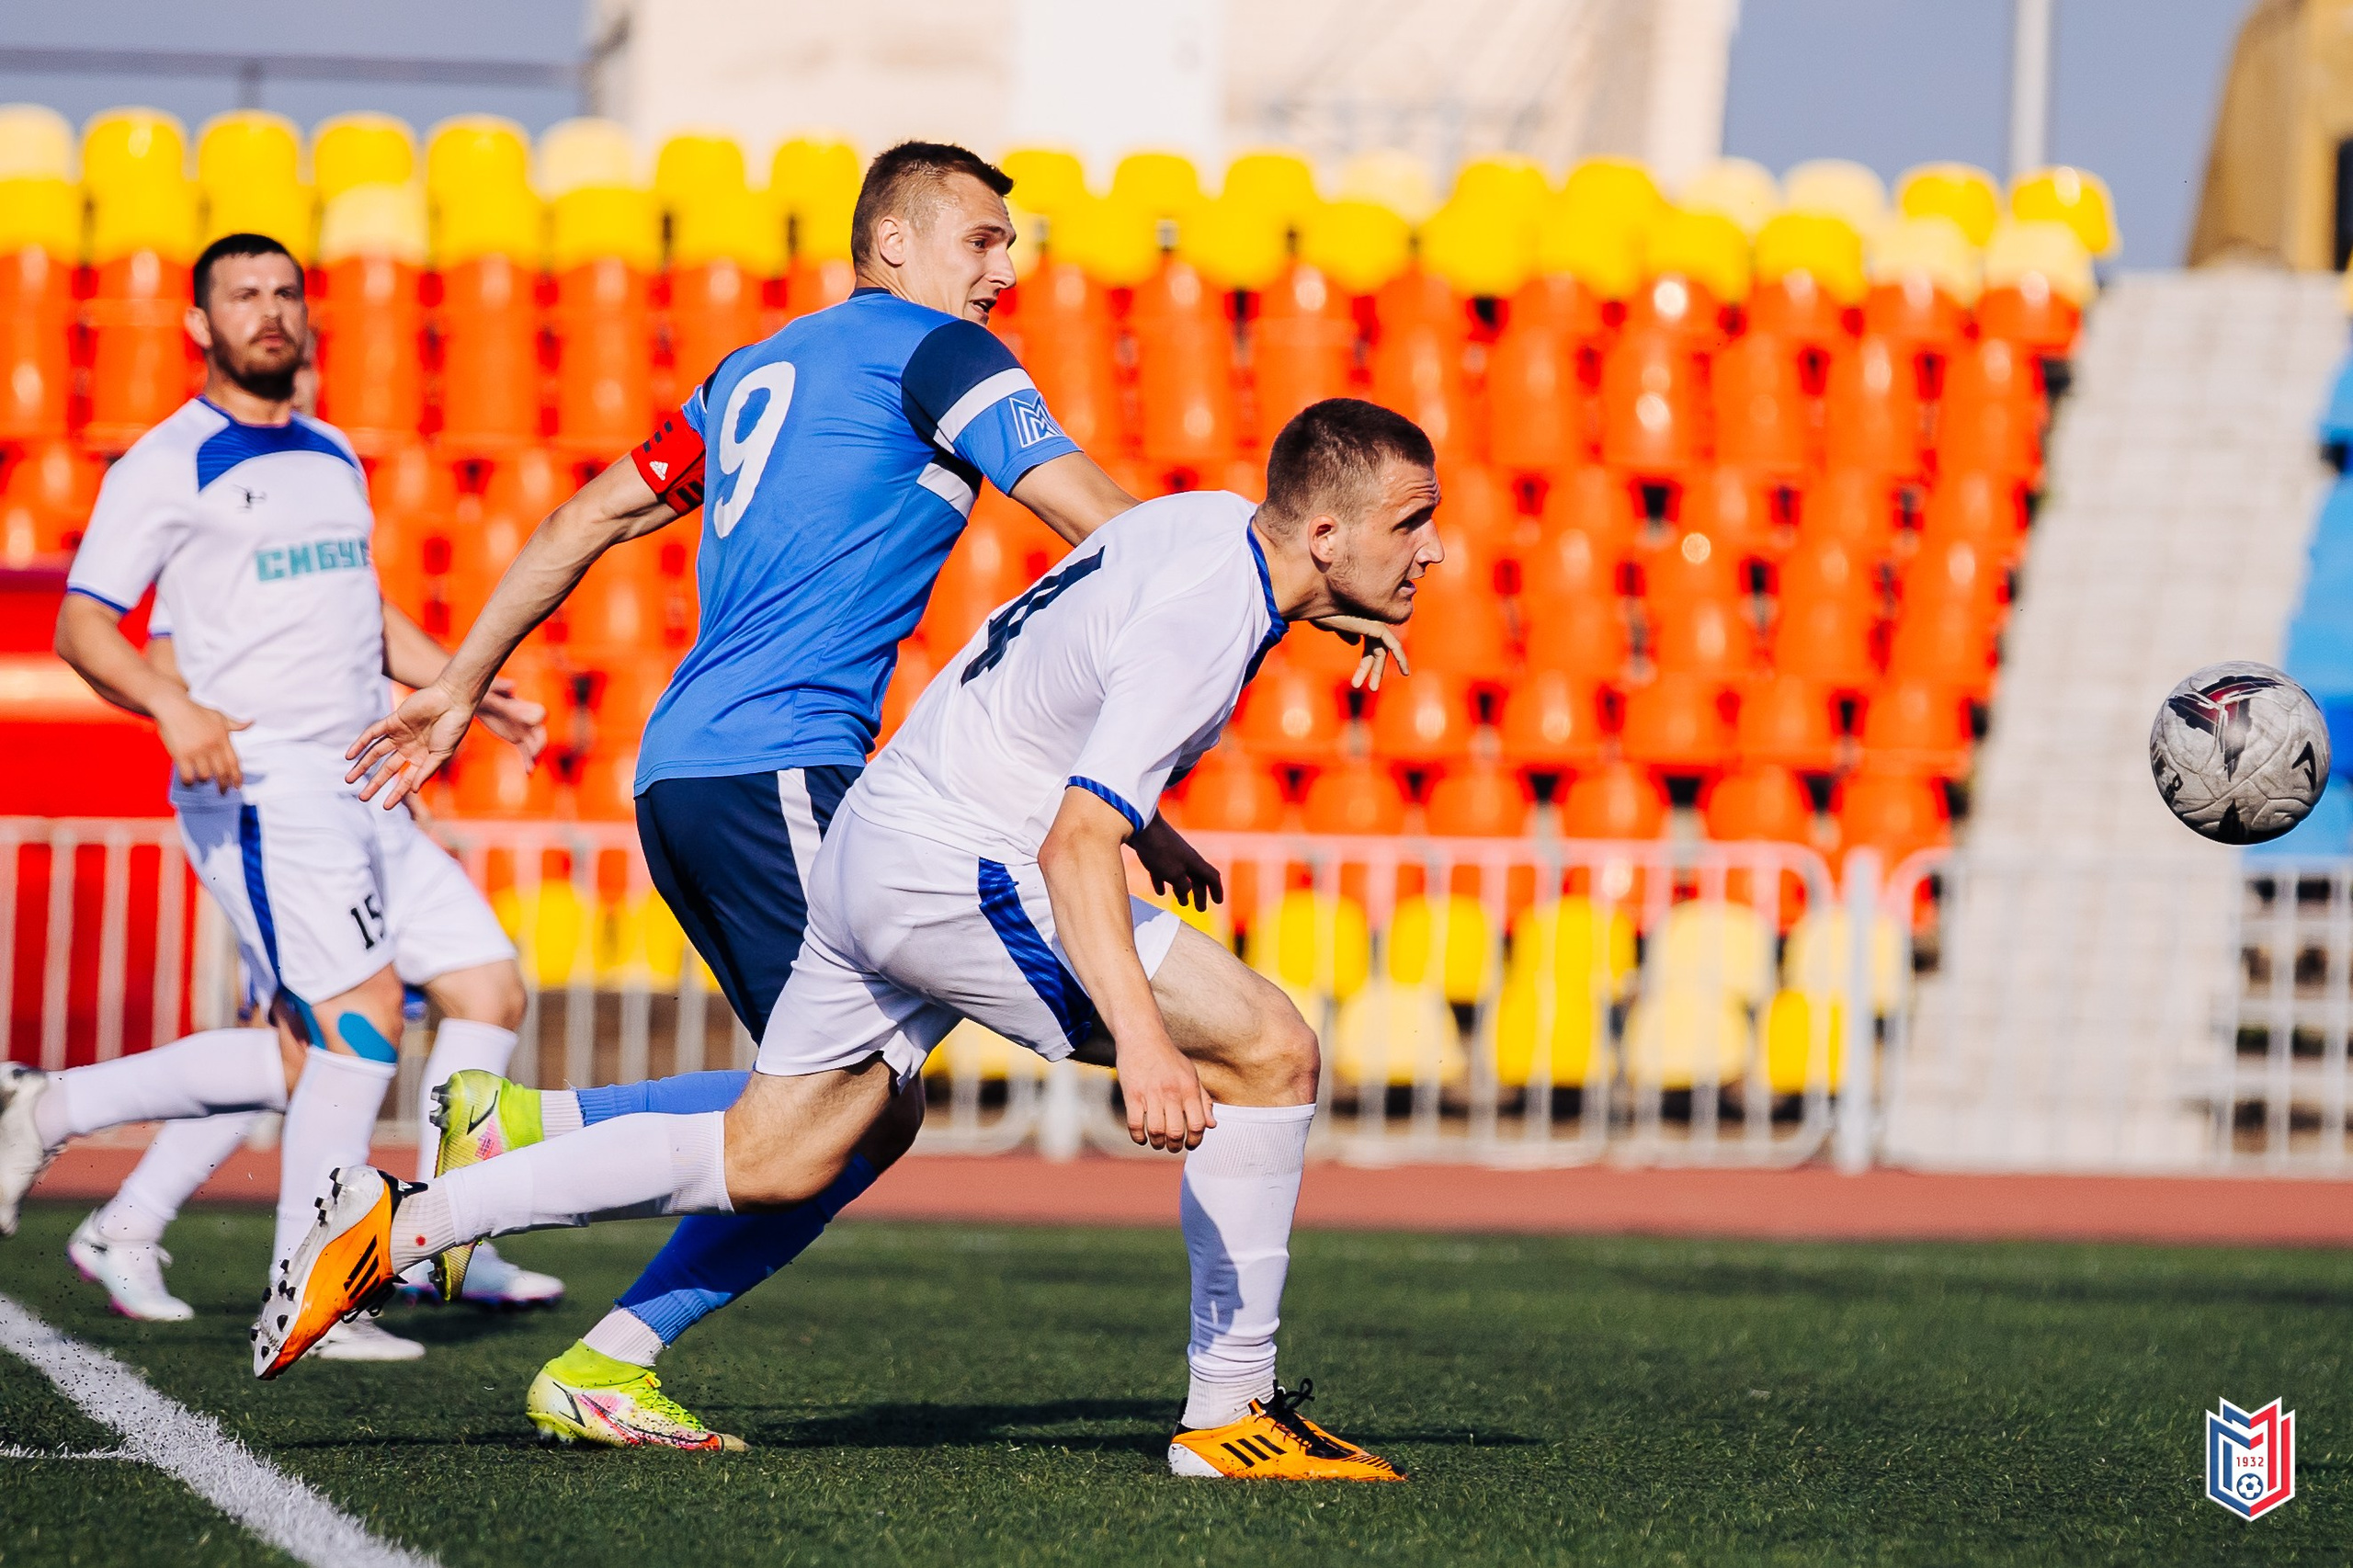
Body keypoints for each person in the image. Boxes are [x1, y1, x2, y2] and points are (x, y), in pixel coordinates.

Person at [329, 142, 1400, 1448]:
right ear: (893, 242)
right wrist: (1280, 580)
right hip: (788, 767)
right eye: (983, 240)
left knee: (853, 1115)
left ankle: (564, 1249)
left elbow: (585, 520)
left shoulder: (746, 371)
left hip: (691, 767)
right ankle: (522, 1186)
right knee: (822, 1125)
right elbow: (1112, 537)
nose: (1005, 269)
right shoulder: (941, 354)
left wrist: (458, 682)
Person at [0, 233, 559, 1358]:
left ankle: (434, 1237)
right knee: (351, 1031)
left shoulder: (331, 450)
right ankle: (315, 1288)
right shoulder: (166, 461)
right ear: (198, 325)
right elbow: (82, 626)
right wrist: (173, 706)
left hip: (364, 778)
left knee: (485, 988)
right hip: (267, 785)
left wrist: (464, 686)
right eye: (243, 294)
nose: (270, 310)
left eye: (286, 293)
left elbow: (359, 610)